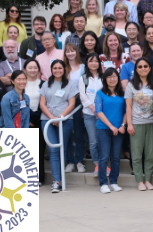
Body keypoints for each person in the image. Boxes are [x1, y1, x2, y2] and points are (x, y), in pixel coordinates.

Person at [39, 60, 77, 193]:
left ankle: (61, 179)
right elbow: (42, 104)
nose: (57, 70)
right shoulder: (45, 84)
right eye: (54, 68)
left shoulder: (70, 85)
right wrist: (51, 117)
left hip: (65, 120)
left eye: (60, 68)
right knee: (53, 150)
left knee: (62, 149)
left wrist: (60, 117)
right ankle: (57, 181)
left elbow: (71, 104)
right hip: (47, 120)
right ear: (51, 70)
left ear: (64, 69)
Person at [93, 68, 127, 194]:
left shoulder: (122, 93)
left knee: (116, 157)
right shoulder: (100, 93)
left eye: (114, 76)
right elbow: (99, 111)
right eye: (109, 77)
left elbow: (125, 111)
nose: (112, 79)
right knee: (104, 156)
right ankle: (103, 183)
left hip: (119, 129)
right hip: (104, 129)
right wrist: (111, 126)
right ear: (105, 79)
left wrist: (123, 125)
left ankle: (113, 181)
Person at [61, 42, 86, 174]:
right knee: (68, 134)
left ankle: (80, 161)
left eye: (72, 51)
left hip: (78, 103)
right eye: (67, 51)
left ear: (76, 52)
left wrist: (83, 106)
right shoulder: (62, 68)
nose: (70, 53)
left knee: (79, 134)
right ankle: (70, 161)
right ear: (65, 54)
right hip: (65, 103)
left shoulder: (83, 67)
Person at [79, 53, 105, 179]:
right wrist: (93, 108)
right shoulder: (83, 78)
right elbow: (82, 95)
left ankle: (105, 164)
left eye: (96, 61)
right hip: (89, 114)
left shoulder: (104, 77)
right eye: (91, 61)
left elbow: (106, 93)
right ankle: (97, 165)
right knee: (93, 141)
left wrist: (99, 109)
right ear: (87, 63)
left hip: (104, 114)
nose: (94, 63)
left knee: (104, 140)